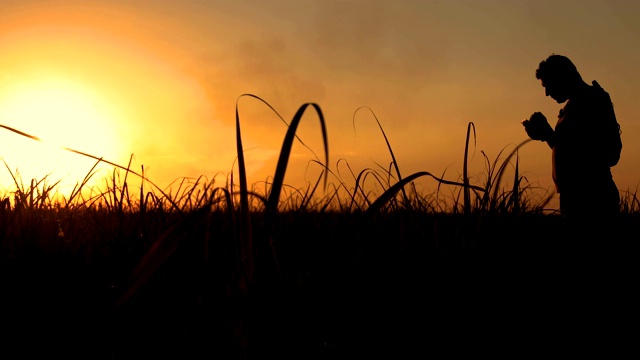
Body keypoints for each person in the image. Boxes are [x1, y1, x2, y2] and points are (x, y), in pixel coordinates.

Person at [521, 54, 622, 240]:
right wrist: (547, 136)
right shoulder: (571, 108)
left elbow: (609, 154)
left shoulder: (594, 101)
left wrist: (550, 136)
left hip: (593, 199)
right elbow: (570, 151)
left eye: (548, 86)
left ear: (562, 78)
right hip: (573, 198)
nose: (547, 93)